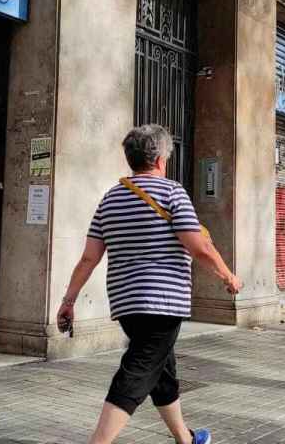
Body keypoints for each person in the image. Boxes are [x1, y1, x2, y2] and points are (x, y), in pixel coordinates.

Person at [56, 124, 243, 444]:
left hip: (126, 304)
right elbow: (198, 246)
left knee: (162, 373)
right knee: (138, 371)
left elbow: (89, 258)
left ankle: (185, 439)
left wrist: (68, 300)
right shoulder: (172, 192)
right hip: (163, 302)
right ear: (159, 159)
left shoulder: (110, 199)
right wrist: (228, 275)